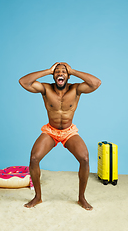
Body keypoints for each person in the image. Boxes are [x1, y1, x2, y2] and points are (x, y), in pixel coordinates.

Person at [19, 62, 101, 210]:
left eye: (63, 71)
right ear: (54, 75)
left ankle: (81, 197)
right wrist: (48, 71)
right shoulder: (46, 89)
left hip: (68, 132)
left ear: (68, 76)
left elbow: (96, 83)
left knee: (85, 158)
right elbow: (23, 82)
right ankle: (37, 197)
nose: (60, 73)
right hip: (51, 131)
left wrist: (73, 71)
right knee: (34, 158)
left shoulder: (75, 89)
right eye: (57, 71)